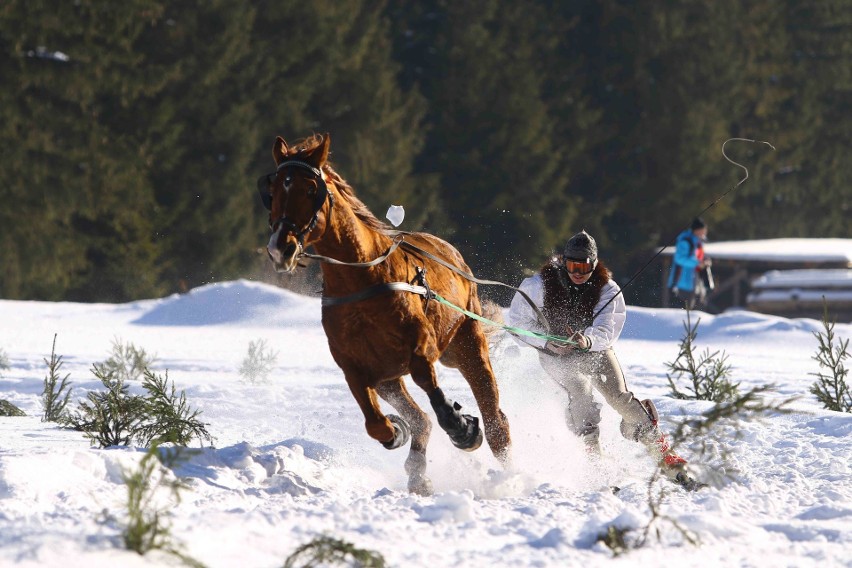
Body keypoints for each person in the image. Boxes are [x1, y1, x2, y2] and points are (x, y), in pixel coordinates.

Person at [507, 230, 702, 490]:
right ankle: (593, 457)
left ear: (594, 264)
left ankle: (662, 452)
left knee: (618, 397)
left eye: (584, 266)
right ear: (563, 262)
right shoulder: (538, 285)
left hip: (594, 350)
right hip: (555, 355)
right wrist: (547, 341)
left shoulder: (607, 289)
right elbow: (518, 323)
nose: (578, 272)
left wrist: (586, 341)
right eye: (573, 265)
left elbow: (607, 329)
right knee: (580, 391)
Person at [668, 217, 712, 310]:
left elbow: (698, 257)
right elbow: (679, 258)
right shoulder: (686, 241)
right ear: (697, 230)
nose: (704, 232)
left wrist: (705, 262)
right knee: (684, 311)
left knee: (697, 308)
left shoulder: (698, 242)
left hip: (696, 282)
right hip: (683, 282)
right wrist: (697, 263)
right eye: (703, 230)